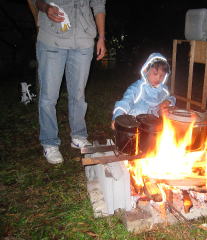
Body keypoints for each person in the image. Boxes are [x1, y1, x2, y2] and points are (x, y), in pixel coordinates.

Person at [34, 0, 106, 164]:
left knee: (78, 94)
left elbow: (99, 5)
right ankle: (50, 142)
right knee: (48, 97)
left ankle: (78, 136)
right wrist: (46, 8)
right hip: (52, 38)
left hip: (83, 40)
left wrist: (101, 37)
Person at [112, 53, 176, 128]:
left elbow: (171, 97)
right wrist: (117, 117)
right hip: (135, 122)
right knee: (141, 108)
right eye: (155, 74)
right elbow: (126, 101)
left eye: (162, 76)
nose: (158, 79)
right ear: (146, 70)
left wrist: (168, 101)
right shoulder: (138, 87)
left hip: (154, 124)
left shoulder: (163, 89)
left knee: (170, 113)